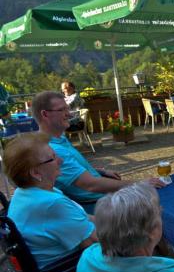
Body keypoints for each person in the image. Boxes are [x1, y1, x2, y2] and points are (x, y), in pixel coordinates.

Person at [31, 91, 163, 213]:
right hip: (96, 205)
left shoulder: (59, 139)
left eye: (67, 108)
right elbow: (91, 185)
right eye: (62, 110)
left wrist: (100, 171)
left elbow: (73, 169)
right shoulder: (52, 150)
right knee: (157, 207)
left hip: (103, 196)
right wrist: (138, 184)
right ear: (45, 114)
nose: (69, 114)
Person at [4, 133, 97, 269]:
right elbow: (93, 243)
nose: (61, 161)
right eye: (52, 158)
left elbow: (85, 218)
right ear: (35, 173)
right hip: (68, 269)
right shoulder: (51, 203)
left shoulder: (25, 192)